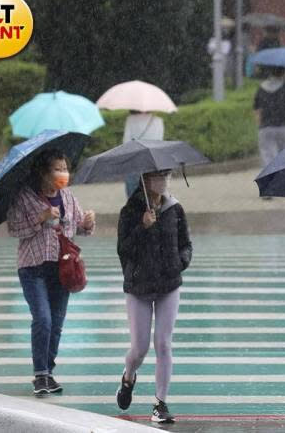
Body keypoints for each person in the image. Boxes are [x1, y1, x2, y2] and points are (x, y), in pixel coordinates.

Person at [6, 148, 95, 396]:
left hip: (62, 269)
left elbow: (78, 227)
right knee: (43, 319)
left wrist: (87, 223)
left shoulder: (67, 196)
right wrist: (40, 218)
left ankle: (49, 371)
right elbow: (14, 229)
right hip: (32, 268)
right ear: (44, 173)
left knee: (56, 323)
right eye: (58, 168)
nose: (63, 173)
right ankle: (40, 374)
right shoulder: (24, 196)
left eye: (65, 168)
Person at [115, 169, 191, 424]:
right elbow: (123, 250)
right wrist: (142, 227)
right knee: (139, 348)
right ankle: (128, 377)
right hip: (139, 287)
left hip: (169, 284)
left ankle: (160, 403)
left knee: (164, 343)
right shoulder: (129, 211)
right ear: (145, 181)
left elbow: (186, 244)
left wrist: (180, 262)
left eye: (167, 175)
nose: (164, 180)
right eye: (159, 176)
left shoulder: (174, 208)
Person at [254, 66, 285, 169]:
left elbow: (257, 110)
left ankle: (270, 180)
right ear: (284, 72)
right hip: (284, 126)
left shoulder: (261, 87)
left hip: (266, 127)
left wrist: (260, 124)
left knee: (267, 156)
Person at [122, 110, 165, 197]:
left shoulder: (131, 120)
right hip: (153, 159)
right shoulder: (158, 120)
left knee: (133, 190)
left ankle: (135, 209)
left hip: (134, 159)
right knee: (153, 190)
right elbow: (160, 142)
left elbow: (126, 142)